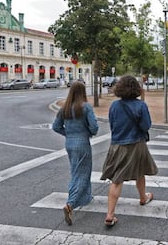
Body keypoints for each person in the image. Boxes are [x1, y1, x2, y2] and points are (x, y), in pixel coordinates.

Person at [100, 75, 158, 227]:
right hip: (136, 144)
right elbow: (146, 126)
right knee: (140, 171)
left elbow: (112, 125)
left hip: (117, 144)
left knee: (117, 180)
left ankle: (110, 214)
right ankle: (143, 198)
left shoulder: (114, 106)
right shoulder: (140, 106)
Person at [52, 81, 99, 226]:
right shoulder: (86, 107)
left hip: (70, 143)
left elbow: (56, 127)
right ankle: (70, 204)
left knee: (75, 171)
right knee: (83, 173)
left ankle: (85, 197)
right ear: (83, 92)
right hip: (82, 143)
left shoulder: (64, 108)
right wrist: (88, 133)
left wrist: (68, 134)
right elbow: (94, 127)